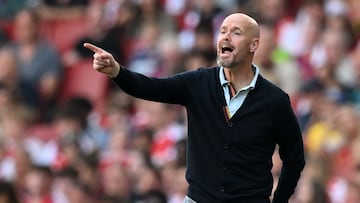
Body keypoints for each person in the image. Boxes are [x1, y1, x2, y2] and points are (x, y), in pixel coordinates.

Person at [84, 13, 305, 203]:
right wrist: (116, 71)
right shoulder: (198, 83)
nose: (226, 36)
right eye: (222, 31)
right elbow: (149, 87)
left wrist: (279, 200)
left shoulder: (275, 100)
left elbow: (294, 158)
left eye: (236, 32)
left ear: (254, 44)